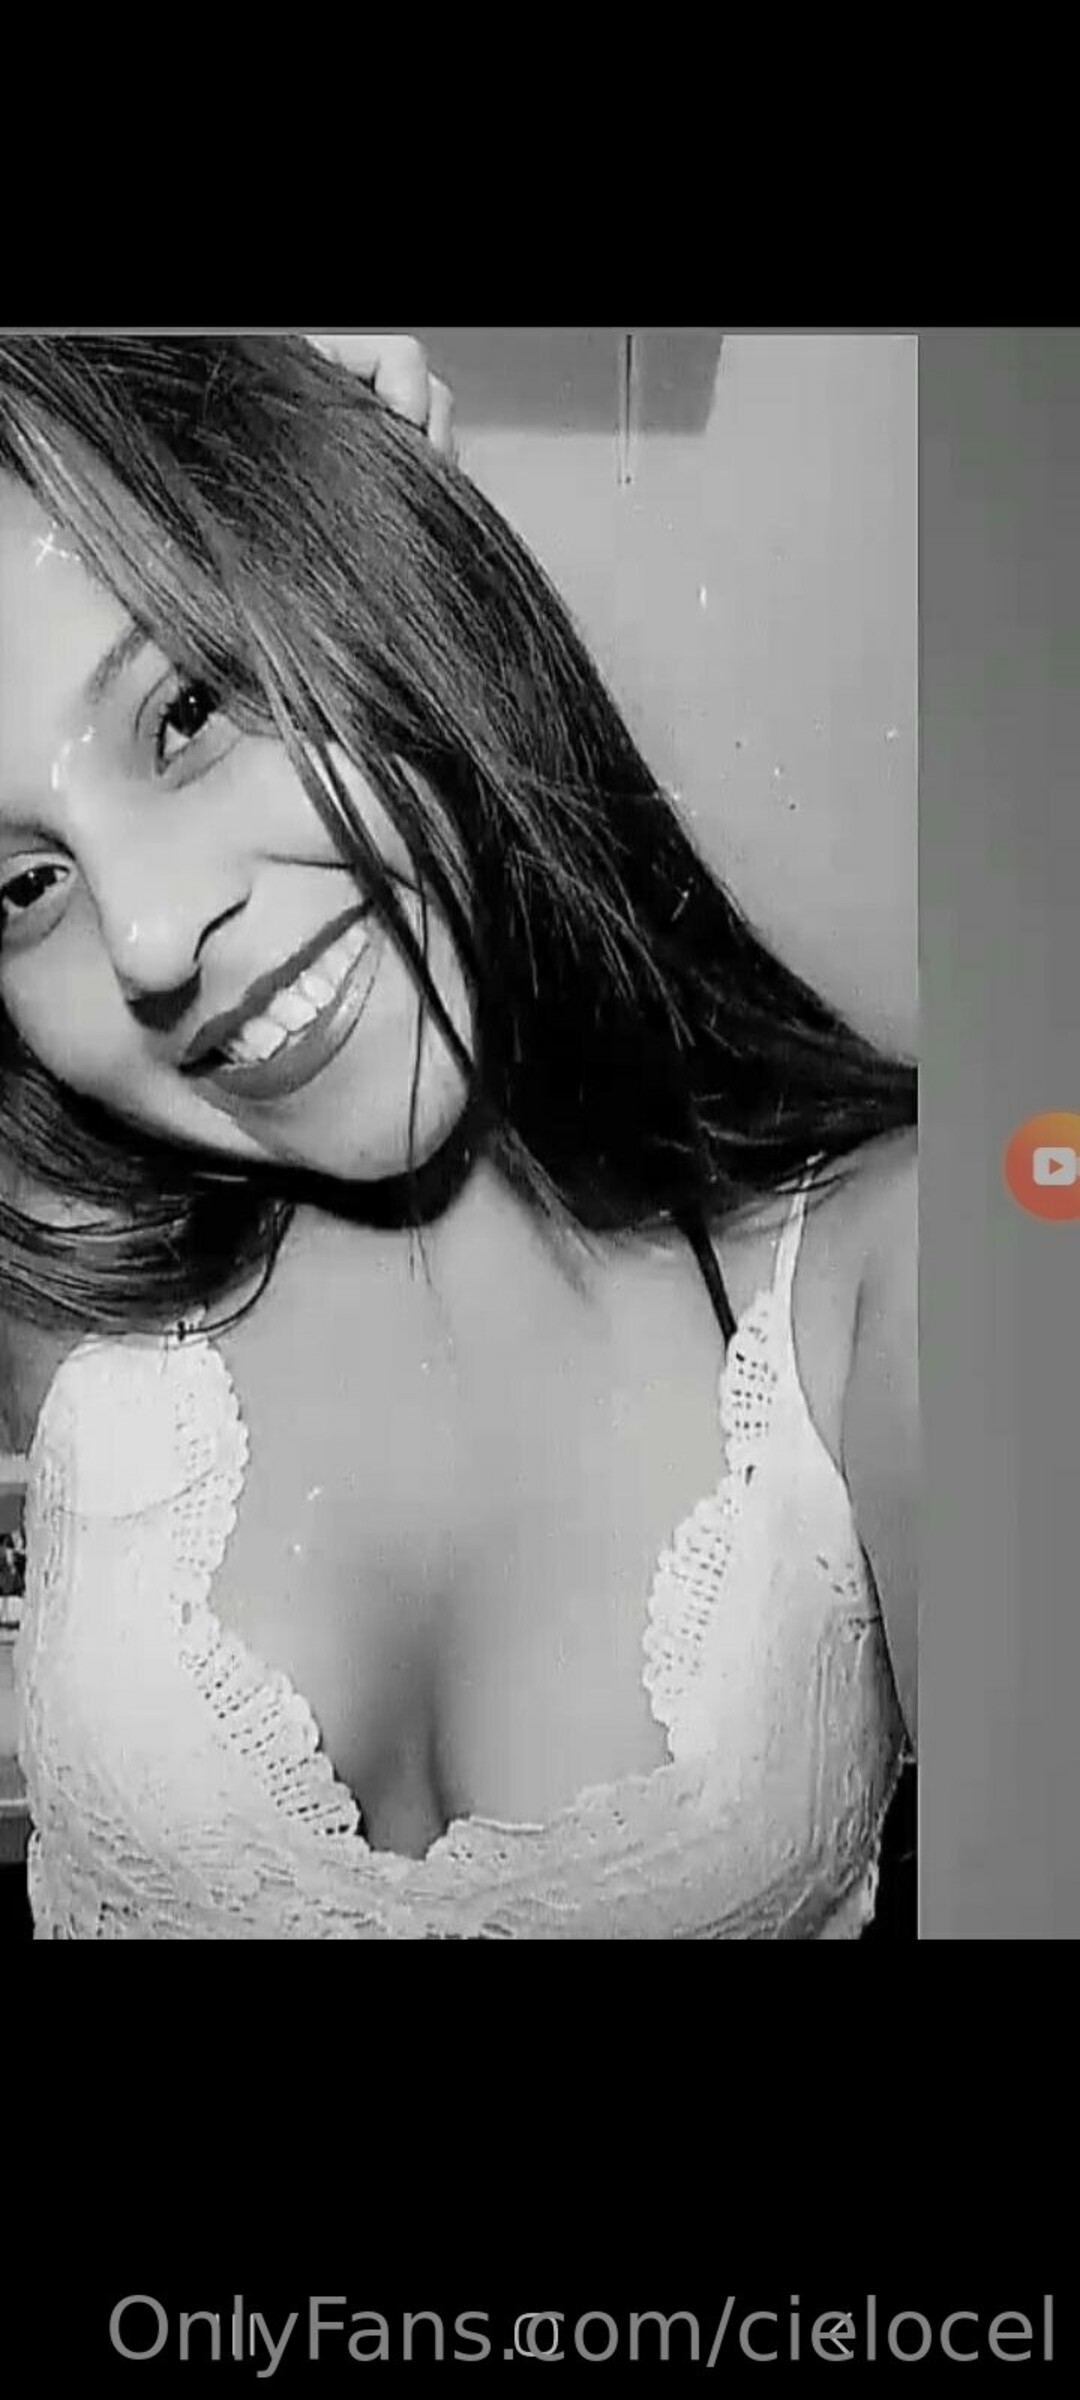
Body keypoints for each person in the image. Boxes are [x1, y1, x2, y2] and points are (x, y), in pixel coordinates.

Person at [0, 331, 916, 1941]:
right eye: (18, 885)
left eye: (187, 709)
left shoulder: (892, 1273)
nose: (144, 936)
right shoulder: (56, 1276)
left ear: (386, 585)